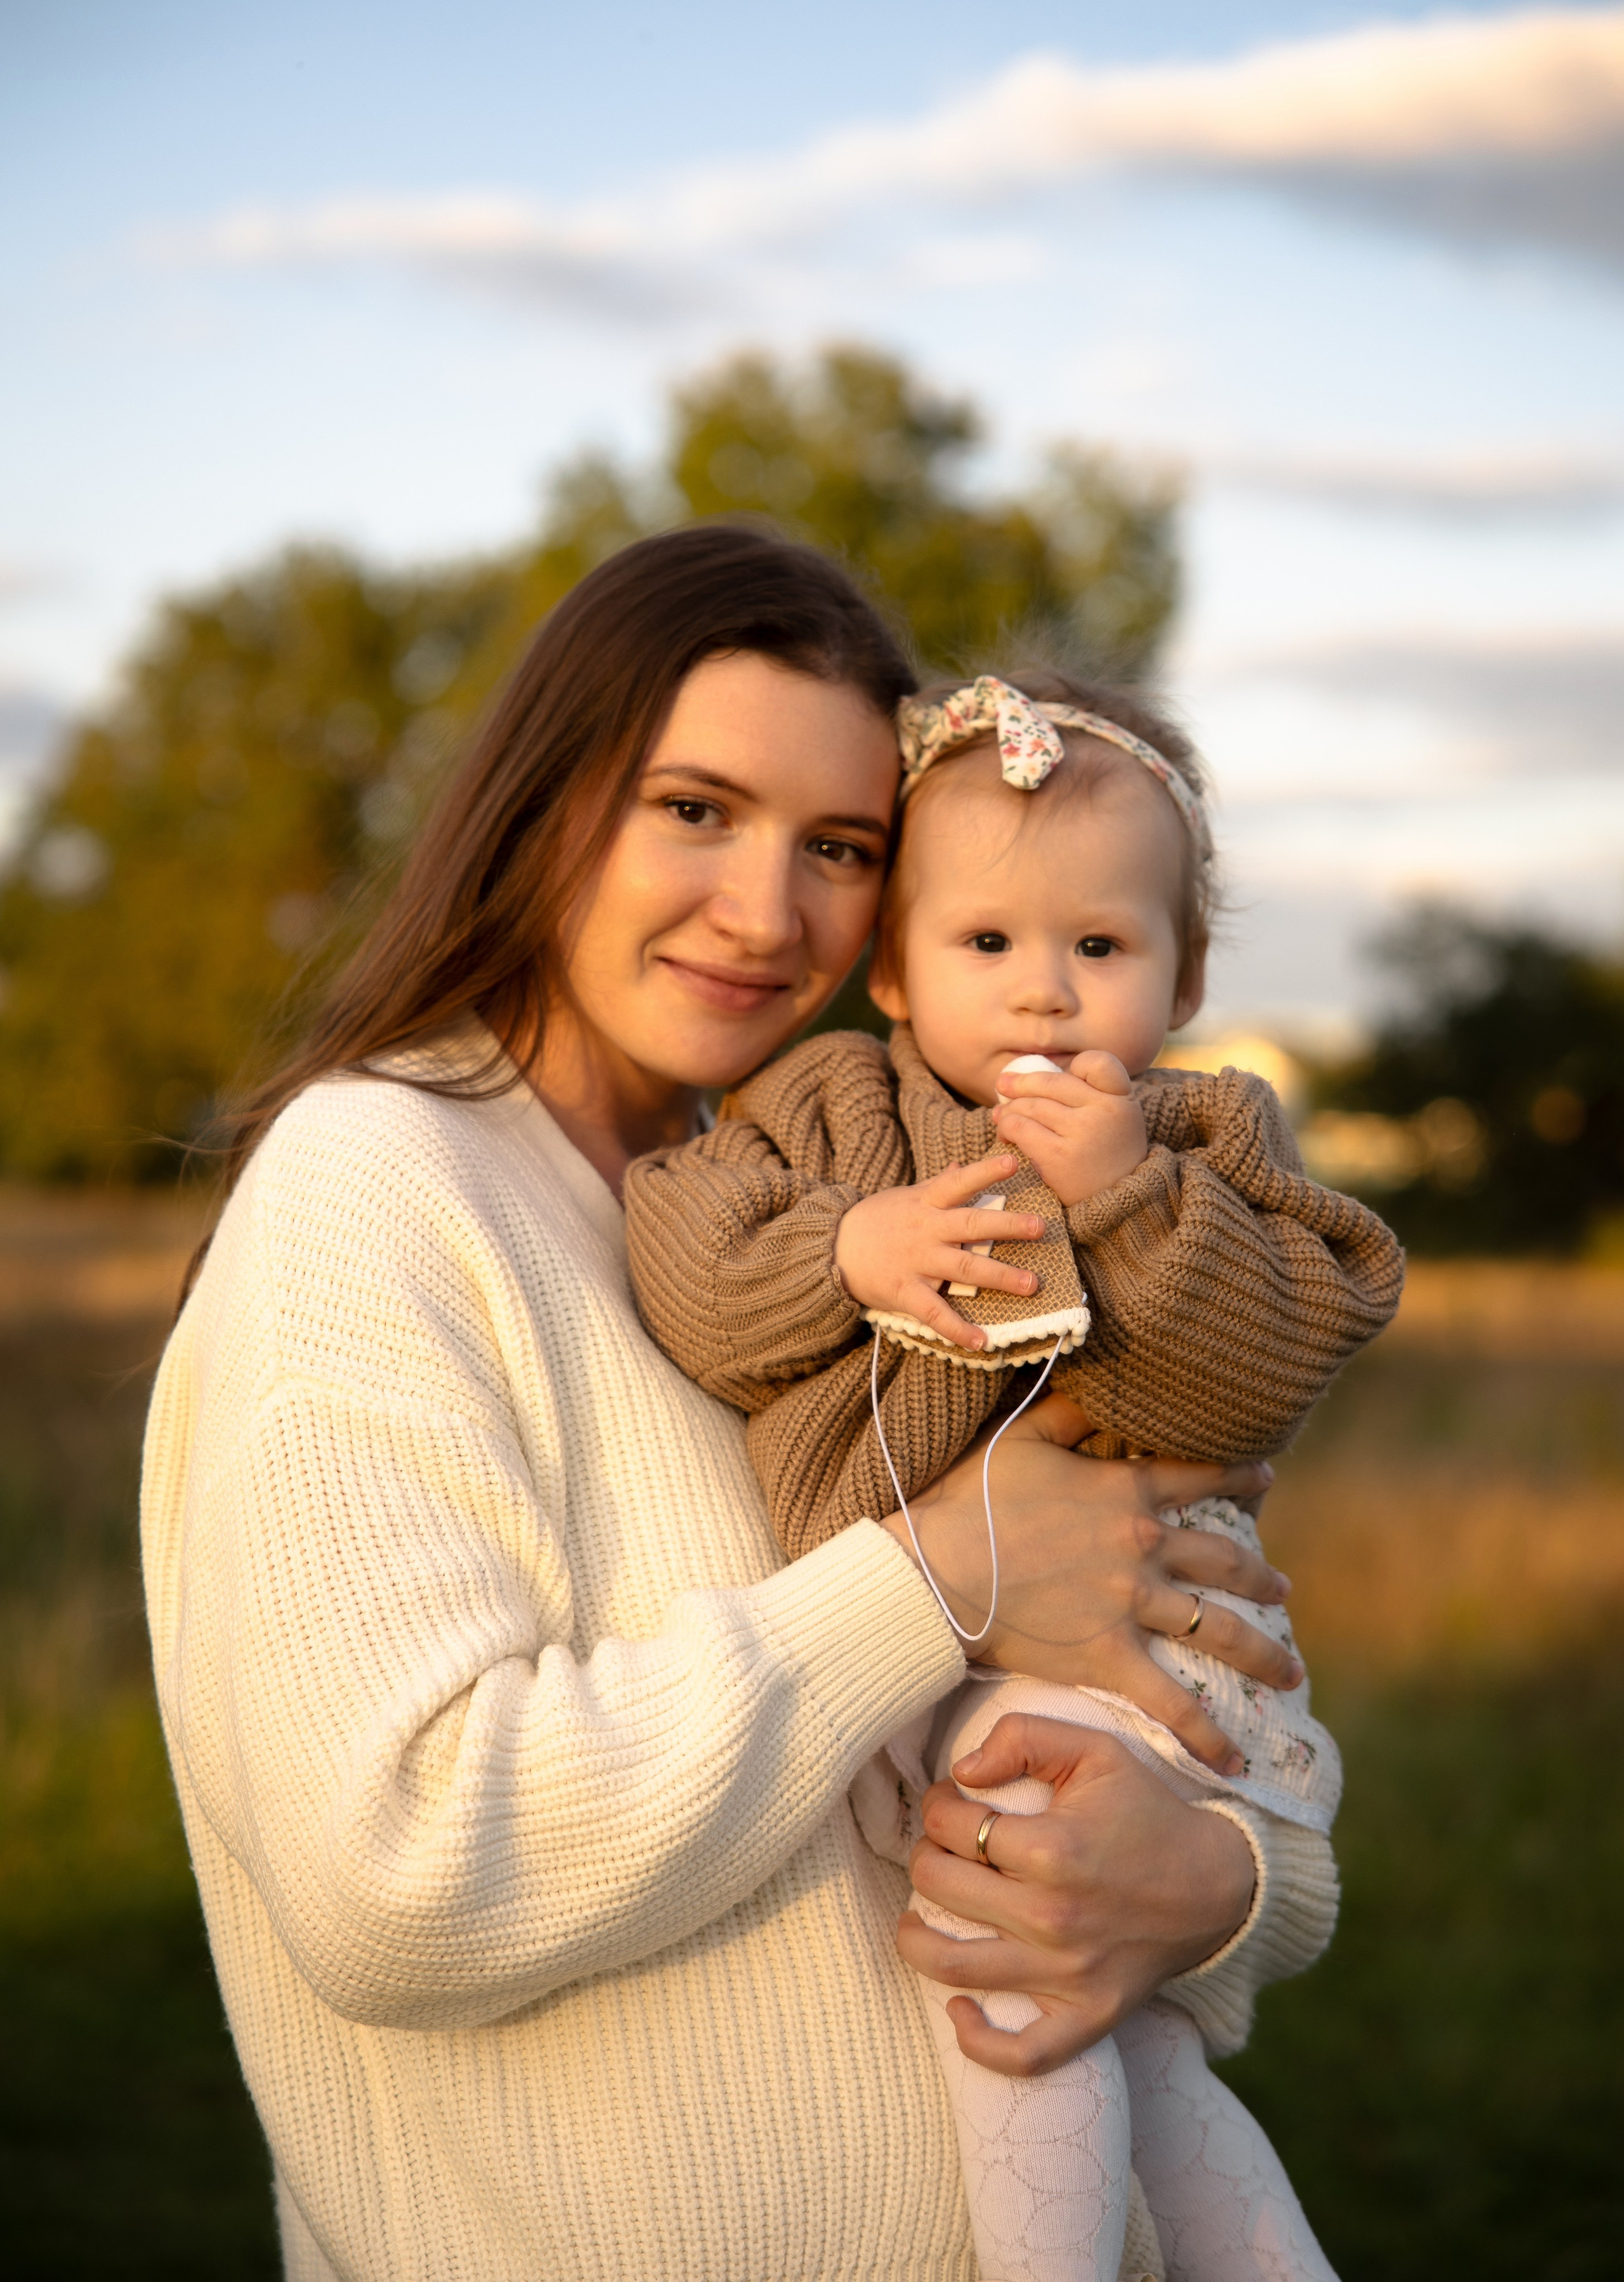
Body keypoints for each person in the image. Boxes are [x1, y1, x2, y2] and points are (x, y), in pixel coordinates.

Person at [141, 529, 1336, 2282]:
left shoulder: (800, 1196)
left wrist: (1217, 1883)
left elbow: (1144, 1678)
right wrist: (940, 1578)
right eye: (694, 808)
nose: (767, 909)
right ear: (548, 801)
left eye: (839, 846)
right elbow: (398, 1859)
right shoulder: (380, 1180)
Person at [625, 669, 1403, 2280]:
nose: (1042, 993)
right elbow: (684, 1254)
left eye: (1099, 947)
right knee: (1138, 2048)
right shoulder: (831, 1111)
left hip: (1135, 1662)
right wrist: (848, 1248)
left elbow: (1284, 1348)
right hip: (915, 1639)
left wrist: (1127, 1199)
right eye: (985, 943)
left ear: (1182, 976)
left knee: (1011, 1994)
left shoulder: (1203, 1143)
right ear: (894, 974)